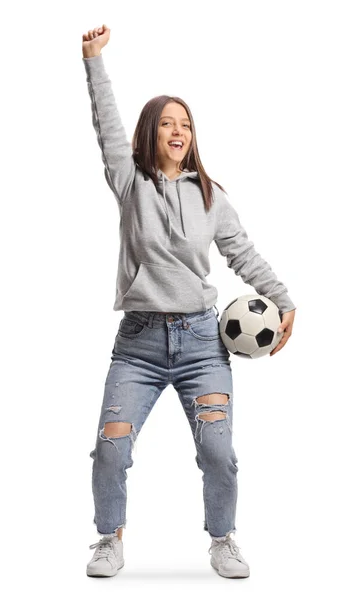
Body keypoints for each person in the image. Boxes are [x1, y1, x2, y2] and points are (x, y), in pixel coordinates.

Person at [81, 24, 296, 579]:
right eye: (168, 123)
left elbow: (241, 254)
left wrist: (282, 298)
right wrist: (93, 61)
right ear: (151, 132)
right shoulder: (130, 183)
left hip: (203, 342)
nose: (179, 130)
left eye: (186, 123)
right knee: (111, 450)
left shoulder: (211, 195)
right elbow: (106, 123)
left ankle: (222, 539)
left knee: (219, 455)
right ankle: (109, 538)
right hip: (139, 345)